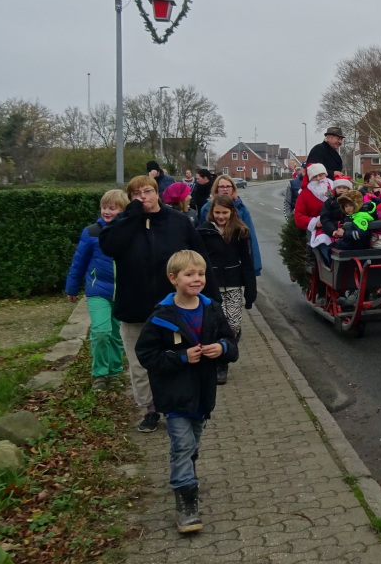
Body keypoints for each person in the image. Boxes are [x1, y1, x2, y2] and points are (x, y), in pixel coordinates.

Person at [99, 175, 219, 433]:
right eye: (136, 194)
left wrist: (212, 298)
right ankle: (150, 409)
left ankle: (178, 406)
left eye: (147, 191)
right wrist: (131, 217)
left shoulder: (178, 222)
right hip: (135, 308)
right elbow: (108, 247)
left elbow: (200, 259)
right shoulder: (123, 223)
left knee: (175, 358)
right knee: (140, 363)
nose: (143, 197)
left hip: (174, 309)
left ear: (157, 193)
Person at [135, 250, 238, 535]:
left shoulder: (211, 309)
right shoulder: (162, 316)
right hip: (174, 394)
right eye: (189, 274)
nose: (197, 279)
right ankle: (186, 502)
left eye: (201, 274)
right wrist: (181, 357)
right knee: (181, 445)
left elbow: (230, 343)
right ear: (173, 278)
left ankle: (187, 472)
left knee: (192, 442)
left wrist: (222, 349)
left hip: (202, 393)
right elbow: (146, 354)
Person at [64, 189, 128, 391]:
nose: (106, 211)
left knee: (117, 335)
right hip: (97, 289)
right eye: (104, 207)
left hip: (122, 291)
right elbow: (79, 262)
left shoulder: (129, 231)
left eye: (112, 208)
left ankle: (115, 372)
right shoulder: (91, 232)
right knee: (101, 332)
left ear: (123, 210)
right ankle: (100, 374)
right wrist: (72, 287)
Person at [197, 194, 256, 385]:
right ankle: (220, 364)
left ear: (231, 212)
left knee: (233, 325)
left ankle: (228, 345)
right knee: (215, 326)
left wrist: (250, 290)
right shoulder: (203, 231)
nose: (221, 216)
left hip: (233, 284)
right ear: (211, 212)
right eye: (217, 213)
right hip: (211, 287)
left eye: (224, 212)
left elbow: (247, 262)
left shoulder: (240, 231)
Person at [197, 175, 262, 276]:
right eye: (222, 187)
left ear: (233, 189)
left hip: (235, 262)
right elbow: (201, 234)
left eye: (228, 186)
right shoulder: (206, 208)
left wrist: (254, 267)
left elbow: (250, 238)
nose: (225, 189)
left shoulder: (241, 209)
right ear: (216, 189)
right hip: (213, 262)